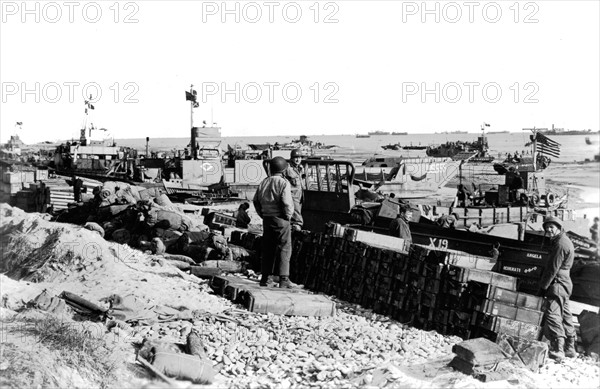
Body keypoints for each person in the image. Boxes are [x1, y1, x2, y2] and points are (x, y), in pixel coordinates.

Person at [538, 216, 577, 360]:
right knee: (566, 316)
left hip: (557, 284)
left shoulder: (560, 244)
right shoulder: (563, 241)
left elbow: (552, 269)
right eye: (547, 227)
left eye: (551, 227)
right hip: (564, 284)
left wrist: (543, 287)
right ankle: (570, 348)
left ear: (559, 228)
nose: (549, 230)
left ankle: (558, 348)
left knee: (552, 314)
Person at [253, 156, 295, 288]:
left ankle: (266, 278)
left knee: (268, 249)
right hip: (281, 219)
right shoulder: (283, 183)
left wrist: (263, 214)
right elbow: (287, 202)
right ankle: (284, 279)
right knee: (284, 248)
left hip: (267, 219)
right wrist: (288, 217)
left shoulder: (264, 182)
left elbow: (256, 201)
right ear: (283, 169)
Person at [283, 148, 306, 231]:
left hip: (299, 195)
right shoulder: (288, 169)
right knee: (296, 214)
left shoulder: (300, 168)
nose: (298, 159)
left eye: (299, 158)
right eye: (296, 157)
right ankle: (297, 227)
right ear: (291, 158)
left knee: (297, 211)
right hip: (292, 195)